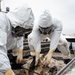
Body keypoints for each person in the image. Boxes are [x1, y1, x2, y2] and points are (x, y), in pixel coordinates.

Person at [0, 3, 34, 75]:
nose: (22, 34)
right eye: (22, 30)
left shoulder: (15, 27)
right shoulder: (2, 21)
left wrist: (20, 51)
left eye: (24, 31)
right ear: (16, 23)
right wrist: (7, 70)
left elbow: (19, 37)